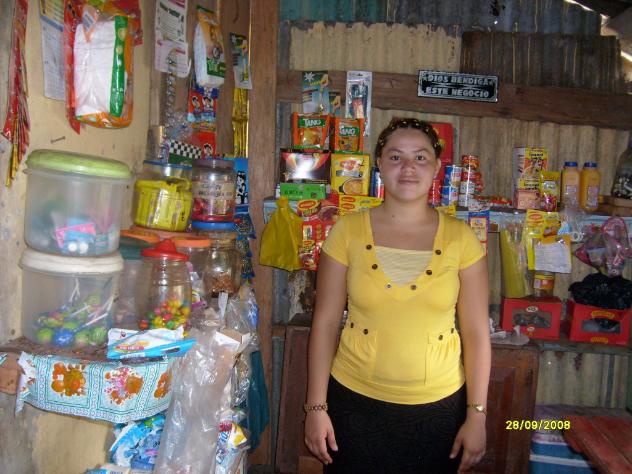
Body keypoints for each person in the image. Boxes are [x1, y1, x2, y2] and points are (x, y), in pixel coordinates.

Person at [304, 117, 491, 473]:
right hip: (354, 404)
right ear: (379, 164)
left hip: (439, 409)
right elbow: (325, 323)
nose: (408, 168)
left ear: (436, 167)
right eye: (395, 157)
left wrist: (477, 415)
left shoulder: (462, 239)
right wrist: (316, 408)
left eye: (420, 157)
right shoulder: (347, 232)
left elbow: (477, 333)